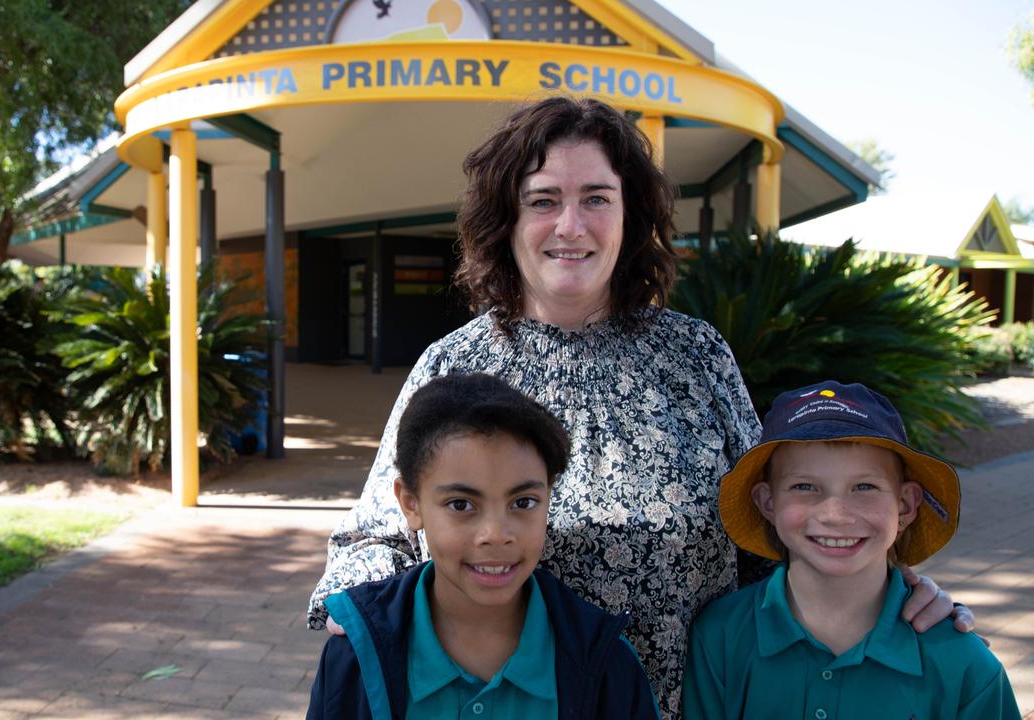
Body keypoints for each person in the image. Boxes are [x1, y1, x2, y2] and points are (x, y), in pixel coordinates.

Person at [308, 95, 966, 718]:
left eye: (596, 198)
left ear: (631, 218)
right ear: (506, 222)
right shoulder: (451, 366)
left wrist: (888, 592)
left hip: (696, 700)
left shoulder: (697, 358)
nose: (571, 225)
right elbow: (376, 536)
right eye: (543, 200)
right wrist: (359, 627)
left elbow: (779, 527)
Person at [307, 373, 659, 719]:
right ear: (411, 503)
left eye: (523, 502)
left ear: (549, 494)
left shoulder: (607, 665)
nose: (495, 533)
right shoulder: (355, 658)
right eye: (461, 504)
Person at [683, 380, 1019, 719]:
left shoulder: (964, 665)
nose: (835, 515)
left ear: (905, 505)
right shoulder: (720, 639)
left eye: (864, 487)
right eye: (804, 486)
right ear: (768, 503)